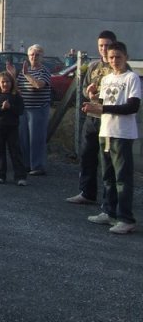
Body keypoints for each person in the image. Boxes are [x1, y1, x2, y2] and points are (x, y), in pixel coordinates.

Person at [82, 41, 140, 234]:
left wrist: (102, 107)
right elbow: (104, 105)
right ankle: (109, 211)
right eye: (112, 57)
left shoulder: (131, 78)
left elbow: (132, 106)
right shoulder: (106, 79)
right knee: (107, 175)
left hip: (122, 134)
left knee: (122, 177)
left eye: (118, 57)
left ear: (126, 57)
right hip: (105, 131)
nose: (115, 60)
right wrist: (93, 99)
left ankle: (126, 218)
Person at [66, 30, 117, 205]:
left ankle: (109, 201)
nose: (104, 49)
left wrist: (100, 94)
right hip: (91, 118)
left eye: (107, 45)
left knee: (108, 162)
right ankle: (87, 192)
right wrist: (88, 92)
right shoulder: (94, 66)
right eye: (101, 45)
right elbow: (84, 88)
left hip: (109, 120)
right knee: (87, 155)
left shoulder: (117, 66)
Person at [7, 44, 51, 176]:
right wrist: (13, 76)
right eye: (32, 55)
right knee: (23, 138)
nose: (34, 57)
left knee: (36, 139)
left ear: (42, 57)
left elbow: (39, 85)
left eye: (37, 55)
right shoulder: (25, 71)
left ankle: (37, 166)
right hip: (24, 108)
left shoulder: (44, 71)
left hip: (38, 109)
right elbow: (17, 89)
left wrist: (26, 74)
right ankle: (26, 164)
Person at [0, 71, 27, 185]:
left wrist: (10, 107)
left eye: (8, 82)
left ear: (12, 83)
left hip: (12, 127)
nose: (5, 84)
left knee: (15, 152)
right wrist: (2, 109)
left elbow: (20, 111)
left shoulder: (16, 96)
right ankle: (0, 175)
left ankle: (20, 177)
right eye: (3, 82)